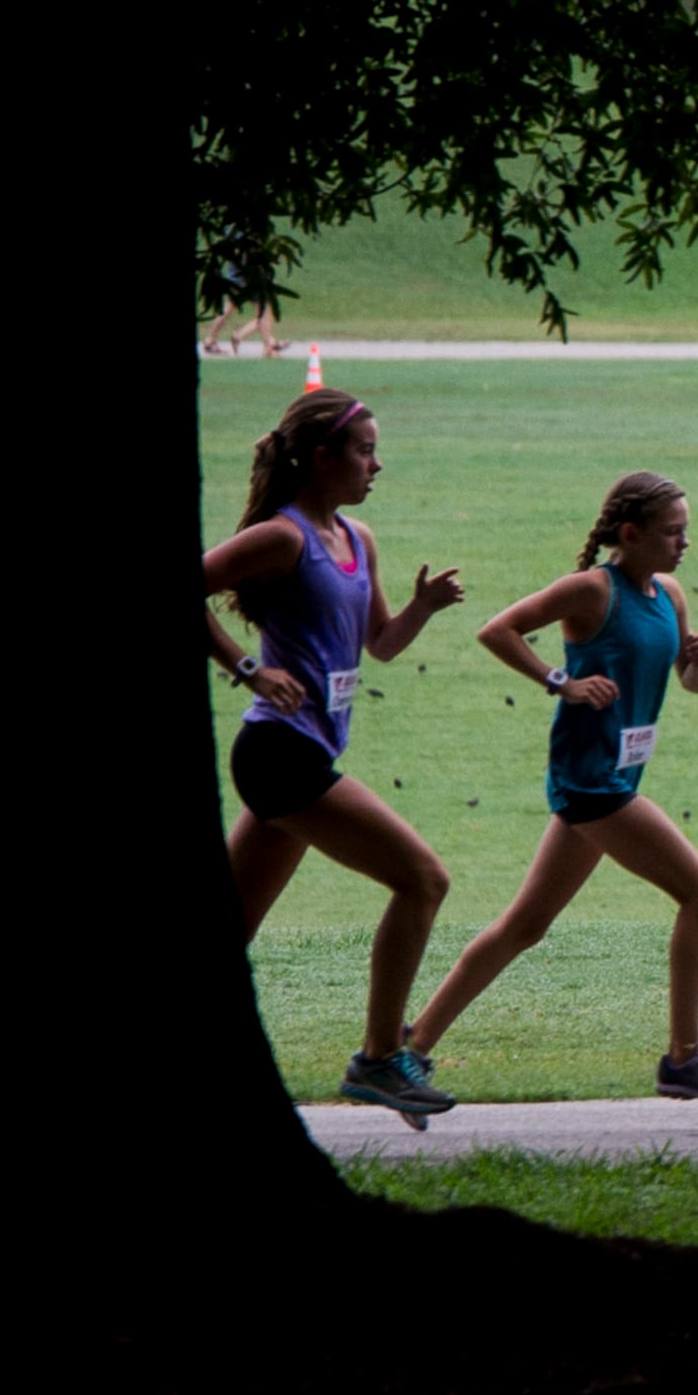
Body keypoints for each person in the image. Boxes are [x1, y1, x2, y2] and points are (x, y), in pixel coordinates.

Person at [400, 472, 698, 1102]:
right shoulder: (592, 592)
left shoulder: (669, 594)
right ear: (631, 533)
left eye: (686, 530)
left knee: (525, 925)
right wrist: (558, 681)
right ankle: (684, 1059)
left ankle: (410, 1048)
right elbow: (498, 629)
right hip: (592, 781)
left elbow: (688, 681)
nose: (683, 543)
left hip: (614, 775)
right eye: (672, 531)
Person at [200, 388, 471, 1118]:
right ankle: (381, 1059)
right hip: (280, 754)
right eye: (364, 451)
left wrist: (422, 608)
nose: (376, 465)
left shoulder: (359, 539)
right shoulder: (281, 538)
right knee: (423, 879)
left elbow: (378, 645)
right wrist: (247, 666)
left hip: (305, 748)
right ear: (321, 459)